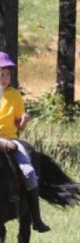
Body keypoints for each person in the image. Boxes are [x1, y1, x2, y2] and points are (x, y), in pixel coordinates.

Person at [0, 51, 50, 233]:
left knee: (29, 172)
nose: (4, 78)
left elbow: (18, 127)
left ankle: (36, 219)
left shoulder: (15, 95)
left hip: (11, 138)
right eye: (1, 74)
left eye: (7, 74)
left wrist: (23, 121)